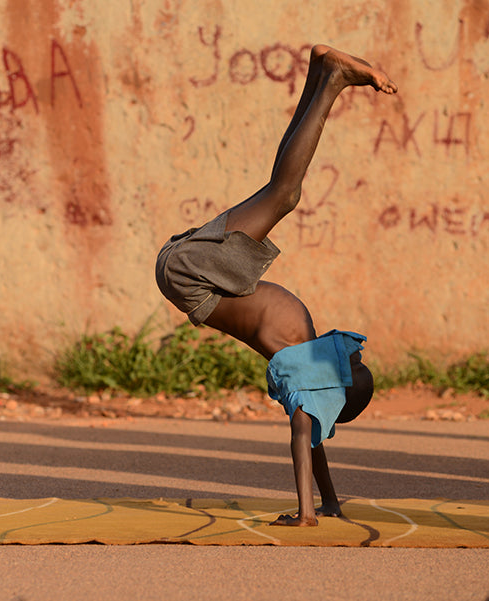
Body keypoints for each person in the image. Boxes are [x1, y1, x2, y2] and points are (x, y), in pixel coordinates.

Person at [155, 45, 397, 526]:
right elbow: (314, 437)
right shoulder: (311, 352)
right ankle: (321, 76)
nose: (352, 356)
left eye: (352, 367)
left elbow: (304, 440)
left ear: (334, 385)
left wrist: (309, 513)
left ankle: (330, 80)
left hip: (193, 277)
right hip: (197, 272)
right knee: (280, 190)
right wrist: (330, 502)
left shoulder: (304, 376)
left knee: (284, 194)